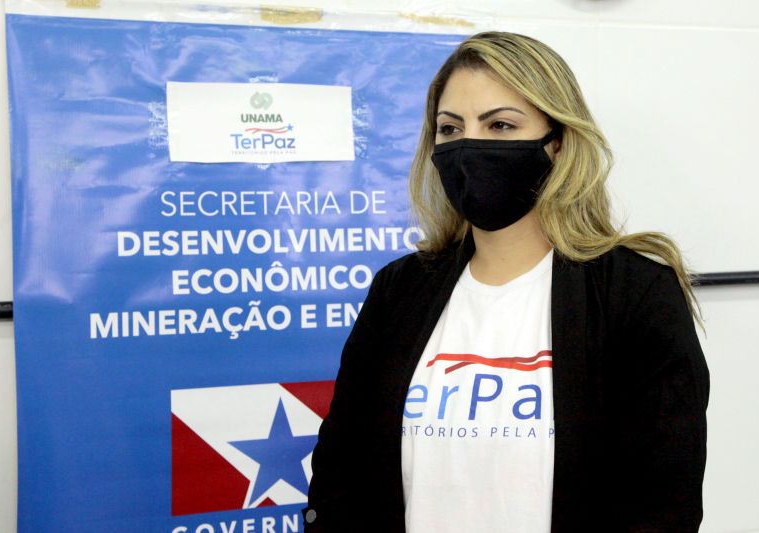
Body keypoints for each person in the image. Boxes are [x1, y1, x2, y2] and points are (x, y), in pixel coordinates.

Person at [303, 31, 709, 533]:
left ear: (557, 145)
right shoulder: (399, 290)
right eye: (451, 129)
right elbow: (342, 471)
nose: (471, 145)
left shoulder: (634, 293)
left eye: (500, 124)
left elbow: (662, 502)